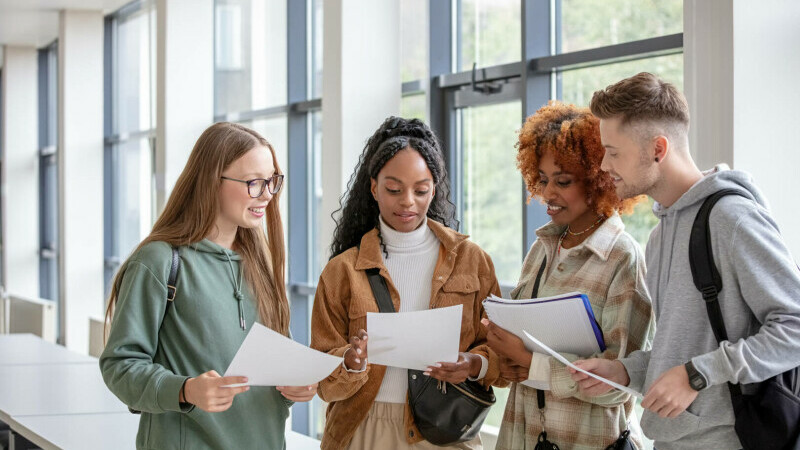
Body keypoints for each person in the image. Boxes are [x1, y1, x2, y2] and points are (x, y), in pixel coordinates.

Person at [571, 72, 800, 449]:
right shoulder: (660, 236)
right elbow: (681, 348)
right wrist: (623, 371)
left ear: (658, 149)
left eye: (613, 152)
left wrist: (698, 374)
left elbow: (794, 326)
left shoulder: (733, 219)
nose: (604, 167)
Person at [100, 122, 317, 450]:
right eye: (254, 183)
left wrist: (292, 389)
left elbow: (268, 371)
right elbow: (120, 365)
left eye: (272, 181)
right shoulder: (159, 261)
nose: (268, 195)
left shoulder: (260, 265)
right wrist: (184, 390)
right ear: (211, 182)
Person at [310, 116, 505, 450]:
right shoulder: (341, 271)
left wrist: (474, 364)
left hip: (444, 429)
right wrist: (351, 363)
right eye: (394, 189)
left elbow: (502, 355)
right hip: (362, 427)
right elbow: (323, 382)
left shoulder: (473, 261)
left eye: (421, 190)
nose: (408, 202)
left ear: (435, 187)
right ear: (373, 187)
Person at [481, 101, 655, 450]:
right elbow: (517, 349)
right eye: (543, 180)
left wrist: (531, 364)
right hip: (522, 435)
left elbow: (621, 386)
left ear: (598, 179)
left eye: (562, 181)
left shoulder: (623, 257)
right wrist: (508, 358)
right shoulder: (543, 247)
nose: (547, 193)